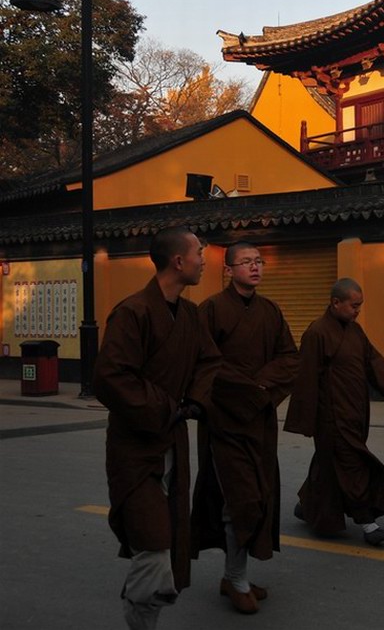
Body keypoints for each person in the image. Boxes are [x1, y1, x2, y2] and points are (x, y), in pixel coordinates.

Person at [93, 227, 221, 629]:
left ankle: (144, 610)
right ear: (178, 261)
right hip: (136, 447)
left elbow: (209, 362)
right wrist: (168, 406)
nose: (205, 259)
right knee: (152, 541)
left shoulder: (190, 314)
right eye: (200, 252)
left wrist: (197, 401)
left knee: (167, 537)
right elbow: (112, 378)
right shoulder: (133, 312)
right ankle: (141, 618)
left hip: (173, 443)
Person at [190, 242, 299, 615]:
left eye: (259, 261)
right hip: (225, 422)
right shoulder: (212, 310)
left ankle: (233, 575)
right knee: (240, 500)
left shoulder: (270, 310)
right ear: (228, 270)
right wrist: (250, 389)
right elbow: (204, 363)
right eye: (246, 262)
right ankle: (236, 580)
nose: (255, 267)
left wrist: (262, 385)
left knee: (258, 496)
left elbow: (289, 357)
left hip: (260, 421)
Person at [284, 277, 384, 545]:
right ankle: (366, 521)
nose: (357, 311)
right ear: (335, 303)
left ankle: (307, 505)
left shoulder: (355, 332)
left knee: (328, 465)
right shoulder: (317, 333)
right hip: (331, 417)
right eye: (354, 306)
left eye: (360, 306)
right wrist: (307, 421)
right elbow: (306, 379)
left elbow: (373, 362)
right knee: (353, 466)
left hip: (355, 414)